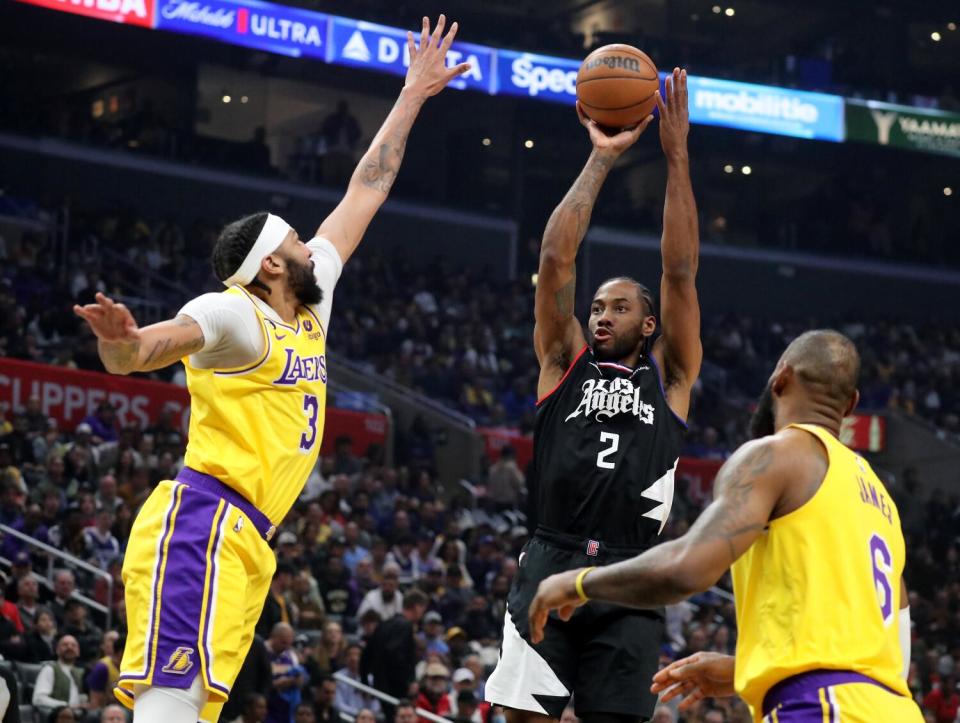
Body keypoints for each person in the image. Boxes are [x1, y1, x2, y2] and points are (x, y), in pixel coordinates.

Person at [72, 16, 470, 723]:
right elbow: (149, 349)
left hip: (249, 537)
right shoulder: (235, 315)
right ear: (272, 267)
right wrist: (122, 343)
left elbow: (365, 192)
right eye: (294, 238)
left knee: (190, 710)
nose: (311, 241)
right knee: (167, 707)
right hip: (202, 523)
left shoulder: (310, 304)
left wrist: (413, 94)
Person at [528, 330, 924, 723]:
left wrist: (578, 582)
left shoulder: (775, 455)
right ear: (851, 404)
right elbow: (895, 655)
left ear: (780, 378)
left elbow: (687, 568)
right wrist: (746, 669)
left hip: (821, 707)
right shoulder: (880, 499)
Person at [486, 70, 703, 723]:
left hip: (632, 570)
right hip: (550, 552)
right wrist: (602, 157)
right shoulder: (563, 361)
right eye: (598, 305)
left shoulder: (670, 380)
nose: (602, 313)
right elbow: (556, 259)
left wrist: (675, 155)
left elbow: (680, 270)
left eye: (620, 307)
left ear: (650, 323)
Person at [361, 589, 429, 720]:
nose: (422, 613)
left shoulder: (384, 624)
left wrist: (365, 682)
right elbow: (394, 653)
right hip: (396, 689)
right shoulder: (405, 626)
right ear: (416, 607)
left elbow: (365, 655)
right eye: (422, 609)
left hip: (381, 686)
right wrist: (409, 681)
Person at [32, 635, 86, 715]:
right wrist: (66, 706)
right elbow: (38, 699)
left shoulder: (82, 673)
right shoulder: (49, 669)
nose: (69, 647)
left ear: (78, 651)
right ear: (57, 650)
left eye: (73, 645)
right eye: (65, 645)